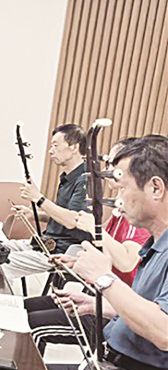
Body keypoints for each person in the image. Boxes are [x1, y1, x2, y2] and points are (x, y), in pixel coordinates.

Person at [44, 134, 168, 370]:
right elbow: (152, 308)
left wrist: (104, 279)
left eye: (123, 187)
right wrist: (100, 304)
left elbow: (165, 332)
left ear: (156, 188)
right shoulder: (155, 245)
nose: (118, 197)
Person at [26, 139, 152, 353]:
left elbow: (127, 262)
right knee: (26, 308)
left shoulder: (137, 217)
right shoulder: (118, 211)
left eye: (114, 164)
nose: (108, 169)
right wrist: (77, 262)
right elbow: (108, 254)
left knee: (31, 324)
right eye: (108, 162)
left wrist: (94, 227)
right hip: (96, 295)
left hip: (112, 310)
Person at [6, 124, 91, 279]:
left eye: (55, 145)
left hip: (61, 252)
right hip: (43, 244)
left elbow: (73, 221)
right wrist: (34, 214)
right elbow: (60, 217)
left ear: (74, 147)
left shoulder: (85, 179)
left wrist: (38, 198)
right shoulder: (67, 177)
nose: (51, 151)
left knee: (0, 261)